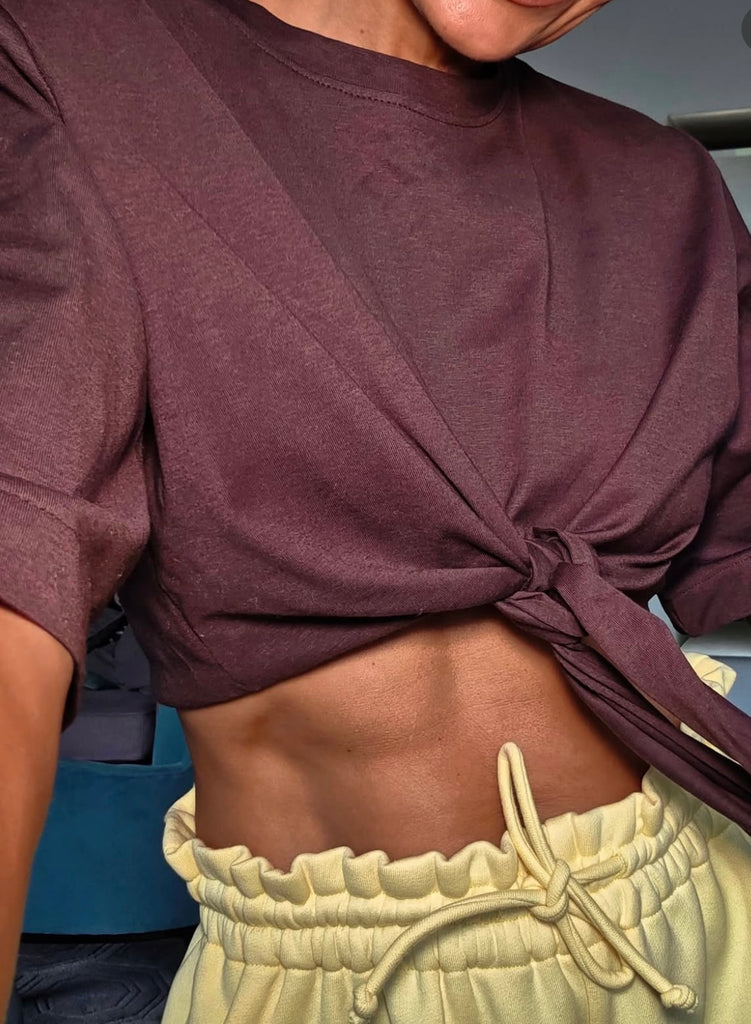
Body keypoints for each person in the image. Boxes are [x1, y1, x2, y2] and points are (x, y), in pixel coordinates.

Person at [1, 0, 750, 1021]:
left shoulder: (663, 183)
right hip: (344, 978)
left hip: (703, 905)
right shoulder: (81, 61)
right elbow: (20, 549)